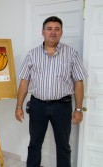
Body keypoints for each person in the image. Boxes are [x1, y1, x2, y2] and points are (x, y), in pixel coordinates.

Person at [15, 16, 88, 167]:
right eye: (49, 29)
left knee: (63, 146)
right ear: (43, 32)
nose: (53, 32)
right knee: (34, 144)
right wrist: (18, 106)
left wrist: (78, 109)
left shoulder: (71, 54)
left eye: (57, 29)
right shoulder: (32, 54)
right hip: (37, 106)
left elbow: (78, 82)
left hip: (62, 106)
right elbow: (24, 81)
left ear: (61, 32)